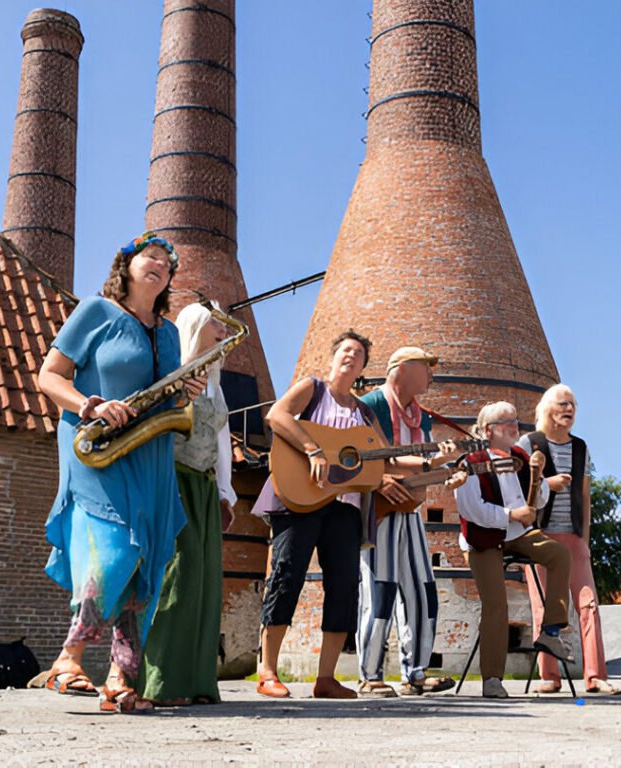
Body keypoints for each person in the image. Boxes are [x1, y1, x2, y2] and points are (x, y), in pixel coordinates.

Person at [38, 232, 203, 714]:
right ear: (126, 266)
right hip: (95, 447)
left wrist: (185, 390)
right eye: (150, 257)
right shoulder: (96, 312)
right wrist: (89, 405)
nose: (160, 265)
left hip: (149, 454)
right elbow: (49, 375)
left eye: (168, 263)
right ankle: (68, 659)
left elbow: (165, 395)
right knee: (111, 553)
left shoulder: (169, 333)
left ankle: (120, 679)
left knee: (146, 565)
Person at [254, 330, 393, 699]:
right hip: (299, 497)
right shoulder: (312, 389)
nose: (351, 355)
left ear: (364, 365)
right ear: (333, 357)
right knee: (287, 575)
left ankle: (326, 678)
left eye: (359, 353)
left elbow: (384, 457)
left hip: (344, 506)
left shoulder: (364, 411)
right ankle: (267, 670)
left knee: (345, 585)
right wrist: (314, 450)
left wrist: (435, 459)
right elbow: (277, 415)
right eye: (346, 350)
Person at [134, 302, 238, 706]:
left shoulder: (215, 383)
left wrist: (227, 493)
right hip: (174, 481)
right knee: (176, 579)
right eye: (215, 325)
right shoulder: (173, 375)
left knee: (204, 583)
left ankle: (196, 682)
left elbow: (223, 443)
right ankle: (162, 683)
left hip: (206, 488)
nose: (222, 333)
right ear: (195, 328)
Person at [356, 347, 458, 697]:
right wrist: (379, 479)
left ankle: (415, 671)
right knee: (379, 588)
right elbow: (357, 455)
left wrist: (448, 472)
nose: (432, 373)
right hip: (379, 508)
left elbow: (426, 464)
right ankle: (370, 674)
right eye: (426, 366)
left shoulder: (422, 417)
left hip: (411, 509)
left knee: (422, 589)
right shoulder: (370, 405)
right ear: (401, 369)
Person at [455, 401, 574, 699]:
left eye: (515, 420)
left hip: (517, 533)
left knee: (559, 555)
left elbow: (537, 498)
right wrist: (512, 515)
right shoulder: (472, 461)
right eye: (506, 421)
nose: (514, 426)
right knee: (496, 604)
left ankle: (550, 631)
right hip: (484, 537)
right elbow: (472, 510)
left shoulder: (520, 456)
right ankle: (492, 678)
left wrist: (542, 482)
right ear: (488, 431)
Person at [517, 384, 620, 695]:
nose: (570, 409)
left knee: (588, 605)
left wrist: (584, 539)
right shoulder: (529, 443)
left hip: (573, 537)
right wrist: (548, 483)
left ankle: (595, 677)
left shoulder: (580, 448)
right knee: (543, 606)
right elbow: (519, 491)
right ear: (548, 408)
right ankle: (549, 677)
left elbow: (585, 497)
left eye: (573, 404)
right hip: (540, 536)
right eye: (563, 403)